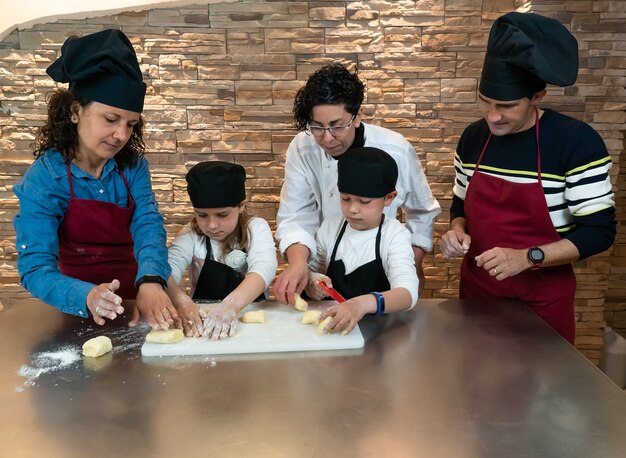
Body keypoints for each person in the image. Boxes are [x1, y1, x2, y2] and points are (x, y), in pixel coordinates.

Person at [440, 12, 617, 344]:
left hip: (541, 306)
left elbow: (600, 232)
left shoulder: (575, 143)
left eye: (506, 106)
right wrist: (456, 231)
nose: (493, 116)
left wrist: (528, 256)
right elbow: (460, 205)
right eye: (485, 101)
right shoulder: (473, 138)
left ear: (537, 97)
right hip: (477, 299)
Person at [13, 29, 178, 329]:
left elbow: (148, 224)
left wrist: (152, 281)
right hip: (75, 309)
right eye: (111, 120)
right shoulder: (45, 178)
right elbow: (35, 267)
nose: (122, 136)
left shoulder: (133, 167)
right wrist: (87, 296)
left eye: (131, 124)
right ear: (76, 111)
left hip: (138, 301)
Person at [274, 63, 440, 305]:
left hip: (384, 273)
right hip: (329, 276)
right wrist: (301, 266)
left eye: (336, 125)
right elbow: (296, 216)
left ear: (358, 115)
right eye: (317, 127)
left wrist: (411, 263)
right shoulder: (302, 148)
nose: (327, 138)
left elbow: (422, 211)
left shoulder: (395, 148)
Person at [305, 147, 419, 335]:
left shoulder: (395, 235)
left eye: (364, 201)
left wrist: (361, 304)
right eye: (345, 199)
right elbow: (313, 269)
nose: (353, 209)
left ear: (389, 198)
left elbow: (407, 294)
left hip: (381, 335)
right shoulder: (331, 227)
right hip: (333, 331)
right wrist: (312, 281)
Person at [166, 161, 278, 340]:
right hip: (204, 325)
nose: (211, 225)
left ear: (241, 205)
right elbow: (167, 270)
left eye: (222, 215)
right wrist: (180, 299)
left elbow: (264, 268)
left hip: (252, 327)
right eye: (202, 215)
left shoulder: (255, 228)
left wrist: (230, 306)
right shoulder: (191, 233)